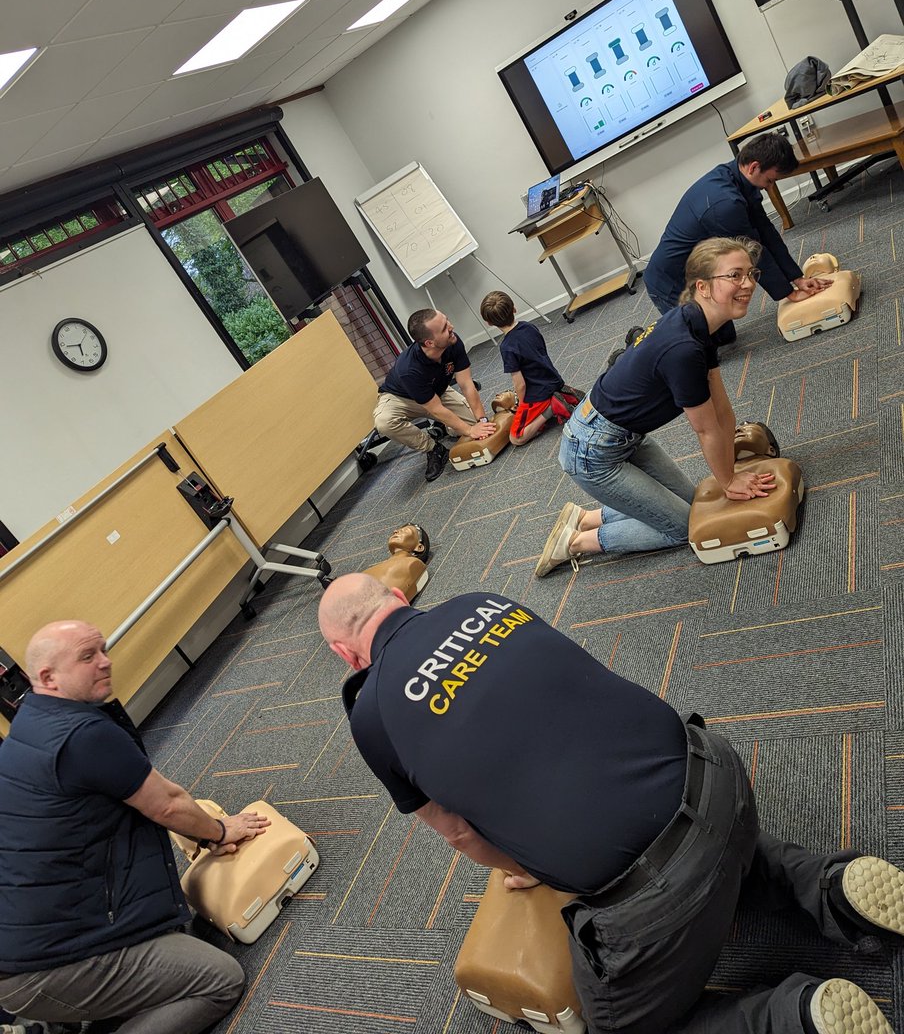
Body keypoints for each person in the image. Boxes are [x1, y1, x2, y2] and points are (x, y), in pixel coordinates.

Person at [318, 574, 901, 1034]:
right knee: (694, 844)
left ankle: (788, 1018)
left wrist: (528, 868)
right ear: (398, 597)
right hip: (718, 773)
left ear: (349, 657)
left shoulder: (373, 720)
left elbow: (461, 835)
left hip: (647, 900)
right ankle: (826, 885)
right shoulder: (482, 600)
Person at [0, 620, 270, 1033]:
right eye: (88, 657)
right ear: (48, 677)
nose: (105, 663)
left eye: (103, 650)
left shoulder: (31, 723)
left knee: (177, 925)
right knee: (218, 979)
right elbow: (167, 804)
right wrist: (217, 830)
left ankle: (57, 1017)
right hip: (39, 966)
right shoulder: (81, 734)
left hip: (25, 943)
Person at [536, 237, 775, 577]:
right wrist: (728, 481)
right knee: (684, 528)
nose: (748, 284)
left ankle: (587, 516)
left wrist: (730, 473)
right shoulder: (683, 349)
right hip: (591, 450)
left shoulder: (698, 323)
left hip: (620, 434)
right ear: (703, 287)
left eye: (751, 273)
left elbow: (720, 407)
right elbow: (706, 429)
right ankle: (574, 541)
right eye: (735, 275)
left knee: (693, 505)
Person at [643, 132, 831, 344]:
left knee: (725, 337)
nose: (770, 187)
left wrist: (797, 278)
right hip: (670, 280)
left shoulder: (737, 178)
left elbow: (766, 233)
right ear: (753, 167)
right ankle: (640, 342)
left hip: (701, 271)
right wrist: (789, 293)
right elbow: (754, 255)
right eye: (770, 180)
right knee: (698, 349)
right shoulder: (725, 204)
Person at [374, 308, 496, 481]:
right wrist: (469, 430)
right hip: (400, 398)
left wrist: (481, 421)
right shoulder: (409, 369)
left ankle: (443, 427)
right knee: (384, 422)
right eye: (445, 328)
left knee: (475, 426)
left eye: (447, 321)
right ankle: (433, 448)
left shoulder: (453, 341)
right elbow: (435, 409)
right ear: (429, 343)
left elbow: (467, 384)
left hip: (435, 392)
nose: (452, 327)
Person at [479, 290, 583, 444]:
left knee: (516, 438)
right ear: (514, 308)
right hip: (553, 380)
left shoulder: (507, 347)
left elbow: (519, 383)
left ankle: (552, 408)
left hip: (537, 394)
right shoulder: (529, 326)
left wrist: (522, 405)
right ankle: (561, 395)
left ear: (489, 322)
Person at [362, 522, 430, 600]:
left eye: (406, 531)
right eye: (398, 530)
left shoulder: (412, 564)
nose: (395, 531)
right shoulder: (376, 567)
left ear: (419, 547)